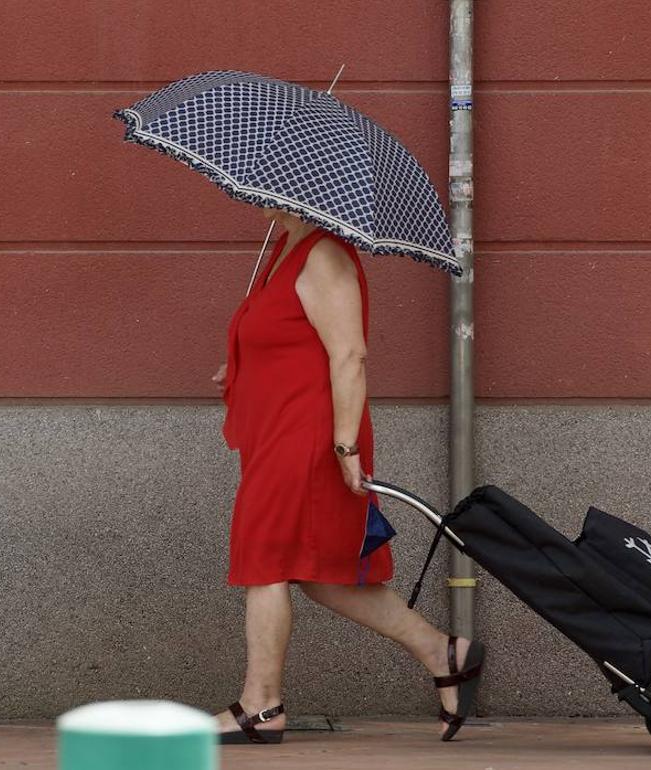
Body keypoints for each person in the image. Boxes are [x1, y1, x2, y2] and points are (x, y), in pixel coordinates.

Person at [211, 206, 484, 745]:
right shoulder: (281, 251)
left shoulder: (325, 255)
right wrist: (241, 365)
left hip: (308, 440)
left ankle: (261, 706)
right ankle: (443, 651)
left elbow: (349, 355)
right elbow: (287, 341)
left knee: (264, 557)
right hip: (276, 436)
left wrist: (345, 445)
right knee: (321, 571)